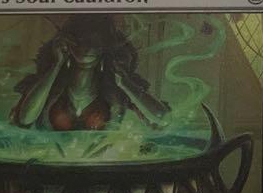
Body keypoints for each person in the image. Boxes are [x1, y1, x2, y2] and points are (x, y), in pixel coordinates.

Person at [11, 16, 169, 131]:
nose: (85, 48)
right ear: (68, 42)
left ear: (104, 46)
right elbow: (25, 119)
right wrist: (57, 65)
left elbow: (162, 119)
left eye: (93, 42)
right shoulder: (50, 79)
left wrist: (125, 83)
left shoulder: (117, 82)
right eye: (79, 41)